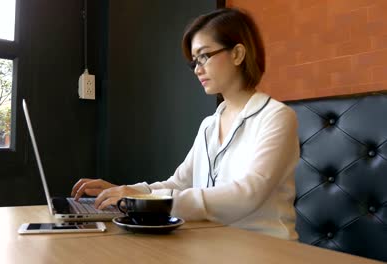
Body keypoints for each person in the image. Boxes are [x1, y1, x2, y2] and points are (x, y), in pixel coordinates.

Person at [71, 7, 300, 240]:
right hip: (213, 243)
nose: (197, 69)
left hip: (265, 247)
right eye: (194, 62)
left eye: (204, 56)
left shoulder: (277, 116)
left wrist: (142, 200)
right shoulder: (210, 124)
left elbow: (248, 194)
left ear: (237, 54)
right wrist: (128, 193)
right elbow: (179, 183)